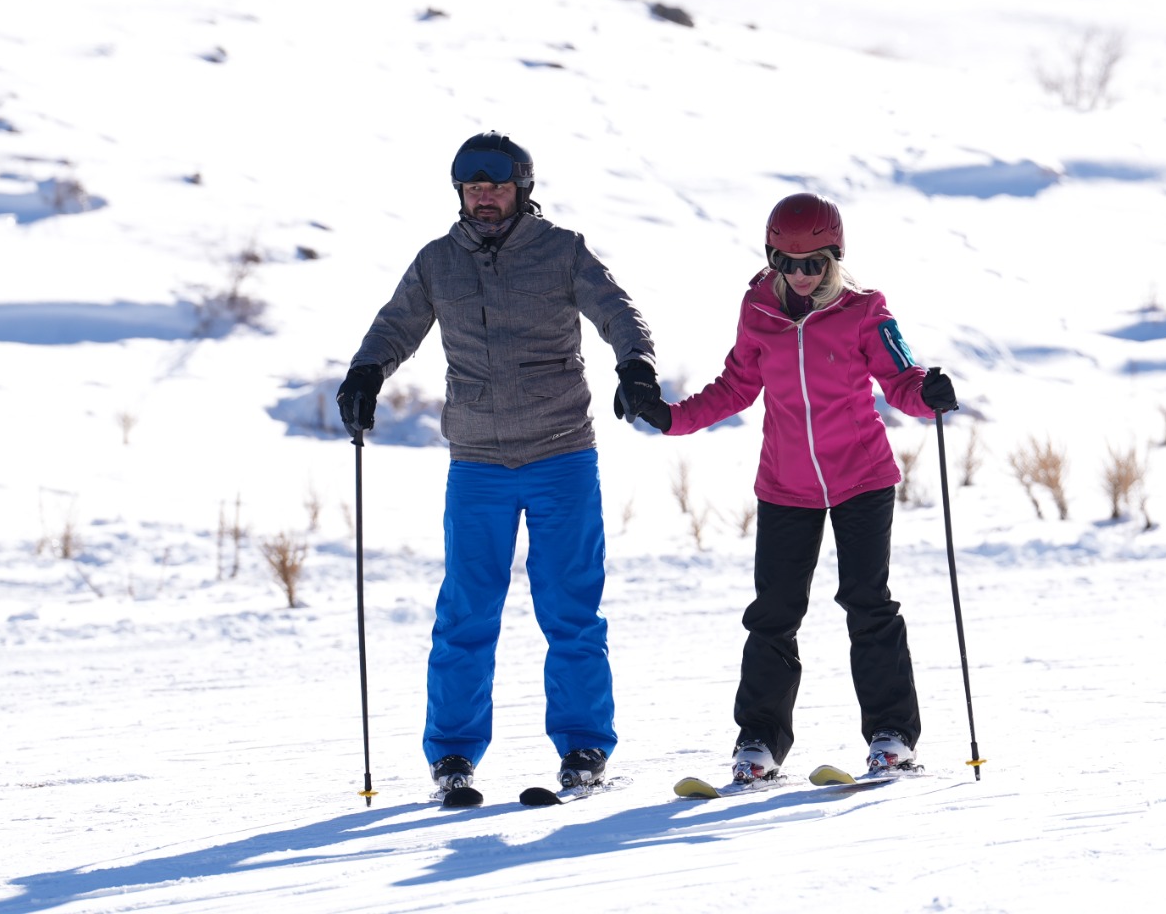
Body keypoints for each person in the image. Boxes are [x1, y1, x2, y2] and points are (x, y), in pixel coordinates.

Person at [335, 130, 663, 801]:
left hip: (561, 452)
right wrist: (366, 373)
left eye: (497, 186)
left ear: (522, 189)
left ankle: (584, 748)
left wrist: (636, 365)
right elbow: (396, 325)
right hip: (478, 459)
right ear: (460, 192)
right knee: (466, 611)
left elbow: (618, 311)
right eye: (473, 187)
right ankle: (453, 756)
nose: (484, 198)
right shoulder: (437, 262)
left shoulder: (562, 252)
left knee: (571, 610)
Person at [626, 192, 959, 783]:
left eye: (814, 265)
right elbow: (735, 386)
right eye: (787, 263)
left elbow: (900, 379)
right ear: (771, 258)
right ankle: (758, 742)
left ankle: (892, 737)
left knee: (867, 604)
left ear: (835, 258)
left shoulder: (865, 311)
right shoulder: (759, 309)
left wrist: (927, 394)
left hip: (861, 477)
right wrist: (671, 417)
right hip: (785, 482)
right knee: (774, 614)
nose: (800, 276)